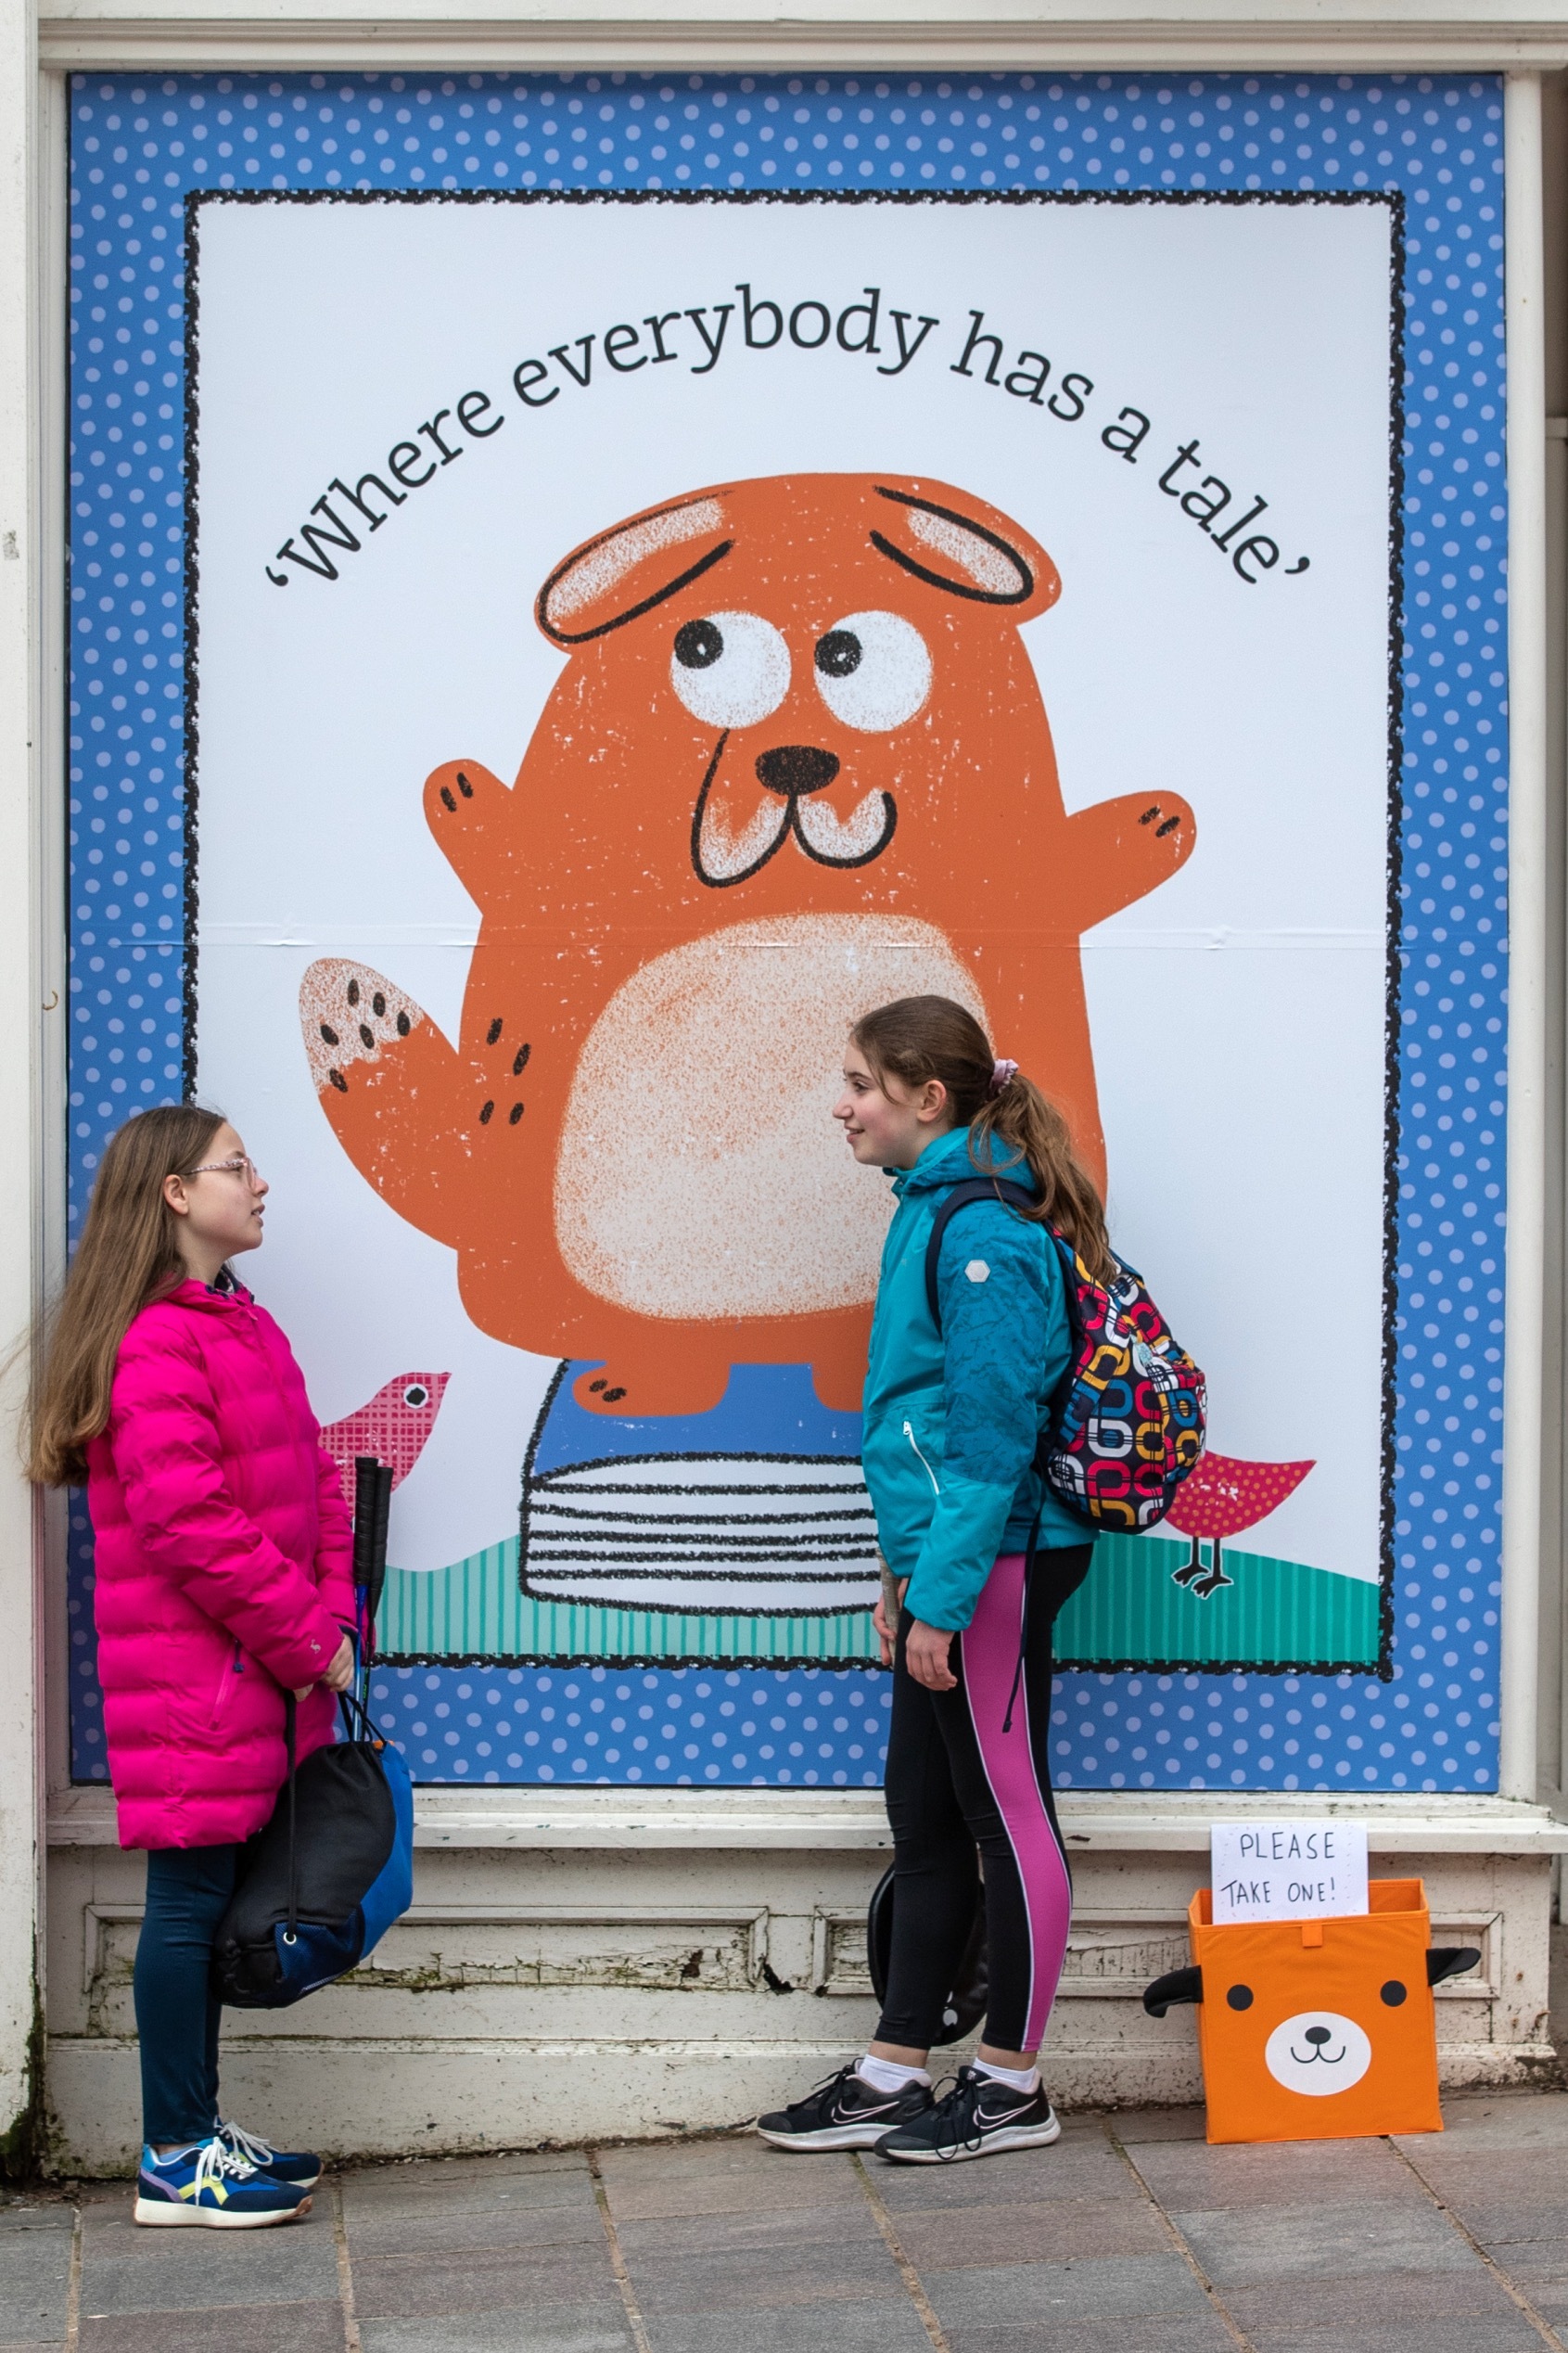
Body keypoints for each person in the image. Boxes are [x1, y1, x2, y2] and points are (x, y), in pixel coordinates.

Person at [758, 994, 1106, 2164]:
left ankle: (1010, 2081)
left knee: (1005, 1814)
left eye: (858, 1083)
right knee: (923, 1810)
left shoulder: (985, 1235)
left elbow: (989, 1437)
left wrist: (945, 1597)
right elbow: (916, 1426)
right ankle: (894, 2066)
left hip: (1001, 1558)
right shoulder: (929, 1209)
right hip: (949, 1561)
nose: (841, 1104)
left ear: (927, 1098)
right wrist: (900, 1575)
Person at [29, 1106, 356, 2226]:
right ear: (174, 1191)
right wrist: (309, 1639)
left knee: (209, 1903)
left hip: (249, 1666)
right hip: (194, 1678)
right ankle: (174, 2152)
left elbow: (314, 1481)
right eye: (236, 1165)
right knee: (184, 1905)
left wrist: (331, 1617)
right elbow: (189, 1522)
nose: (258, 1183)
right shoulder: (158, 1341)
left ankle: (199, 2129)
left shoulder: (237, 1319)